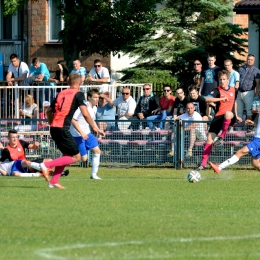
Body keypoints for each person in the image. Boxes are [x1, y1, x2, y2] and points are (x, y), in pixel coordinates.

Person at [40, 73, 103, 189]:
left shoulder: (61, 93)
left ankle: (53, 181)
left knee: (66, 155)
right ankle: (46, 165)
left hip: (54, 128)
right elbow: (85, 113)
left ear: (68, 83)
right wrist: (93, 126)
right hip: (63, 128)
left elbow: (48, 111)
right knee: (76, 157)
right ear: (80, 83)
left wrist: (51, 123)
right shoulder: (78, 94)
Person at [195, 70, 242, 171]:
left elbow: (235, 102)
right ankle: (203, 164)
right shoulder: (217, 90)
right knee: (209, 140)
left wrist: (237, 115)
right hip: (218, 117)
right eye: (220, 79)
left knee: (228, 113)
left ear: (228, 80)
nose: (222, 81)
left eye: (224, 79)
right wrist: (220, 99)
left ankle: (222, 136)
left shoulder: (234, 90)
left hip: (229, 117)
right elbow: (207, 99)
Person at [70, 88, 102, 180]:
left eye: (98, 97)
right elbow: (73, 120)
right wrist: (82, 133)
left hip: (87, 133)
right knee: (83, 159)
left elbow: (91, 120)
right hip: (78, 134)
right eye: (95, 97)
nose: (97, 99)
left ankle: (94, 174)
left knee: (97, 151)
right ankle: (60, 161)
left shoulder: (95, 108)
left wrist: (98, 130)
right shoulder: (83, 107)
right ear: (89, 98)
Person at [237, 54, 260, 120]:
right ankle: (239, 128)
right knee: (239, 111)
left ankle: (249, 128)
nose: (249, 61)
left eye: (251, 60)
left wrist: (257, 91)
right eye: (248, 59)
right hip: (239, 92)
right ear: (246, 59)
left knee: (249, 112)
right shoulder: (240, 68)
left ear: (254, 61)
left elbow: (257, 82)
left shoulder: (256, 70)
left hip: (249, 92)